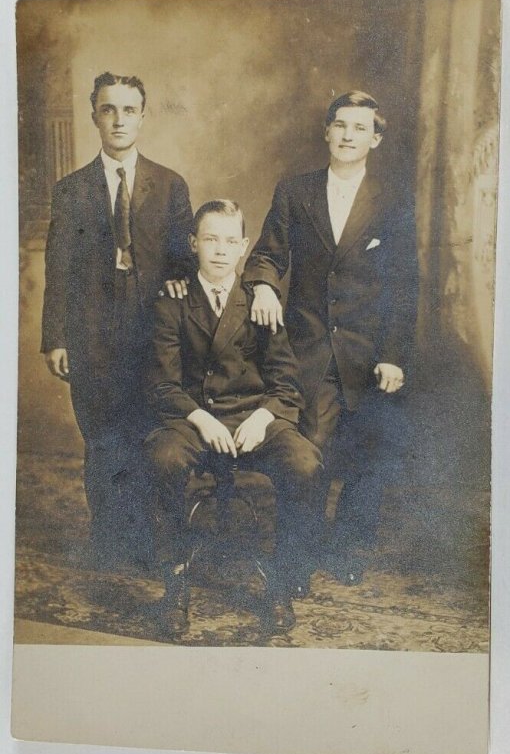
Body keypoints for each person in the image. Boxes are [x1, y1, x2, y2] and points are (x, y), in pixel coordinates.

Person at [243, 90, 418, 587]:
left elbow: (406, 284)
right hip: (312, 349)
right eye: (340, 125)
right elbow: (267, 253)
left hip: (369, 354)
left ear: (376, 139)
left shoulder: (393, 200)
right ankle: (296, 560)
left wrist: (393, 356)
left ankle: (347, 553)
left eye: (360, 128)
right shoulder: (295, 191)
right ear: (326, 131)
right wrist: (261, 285)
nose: (347, 135)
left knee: (367, 457)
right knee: (309, 455)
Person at [144, 200, 323, 636]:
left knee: (306, 464)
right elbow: (162, 385)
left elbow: (286, 385)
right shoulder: (172, 303)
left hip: (252, 418)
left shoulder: (260, 302)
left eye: (229, 241)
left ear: (244, 247)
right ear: (193, 244)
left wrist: (264, 417)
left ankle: (282, 579)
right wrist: (201, 419)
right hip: (194, 419)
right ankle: (176, 581)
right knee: (161, 458)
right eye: (210, 239)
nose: (220, 251)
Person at [41, 72, 194, 567]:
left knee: (150, 437)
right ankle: (109, 543)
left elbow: (183, 257)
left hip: (153, 336)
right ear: (94, 117)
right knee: (104, 441)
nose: (119, 120)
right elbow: (58, 269)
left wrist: (176, 278)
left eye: (129, 110)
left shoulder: (170, 185)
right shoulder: (71, 190)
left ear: (143, 117)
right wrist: (56, 338)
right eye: (109, 110)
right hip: (92, 336)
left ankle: (151, 543)